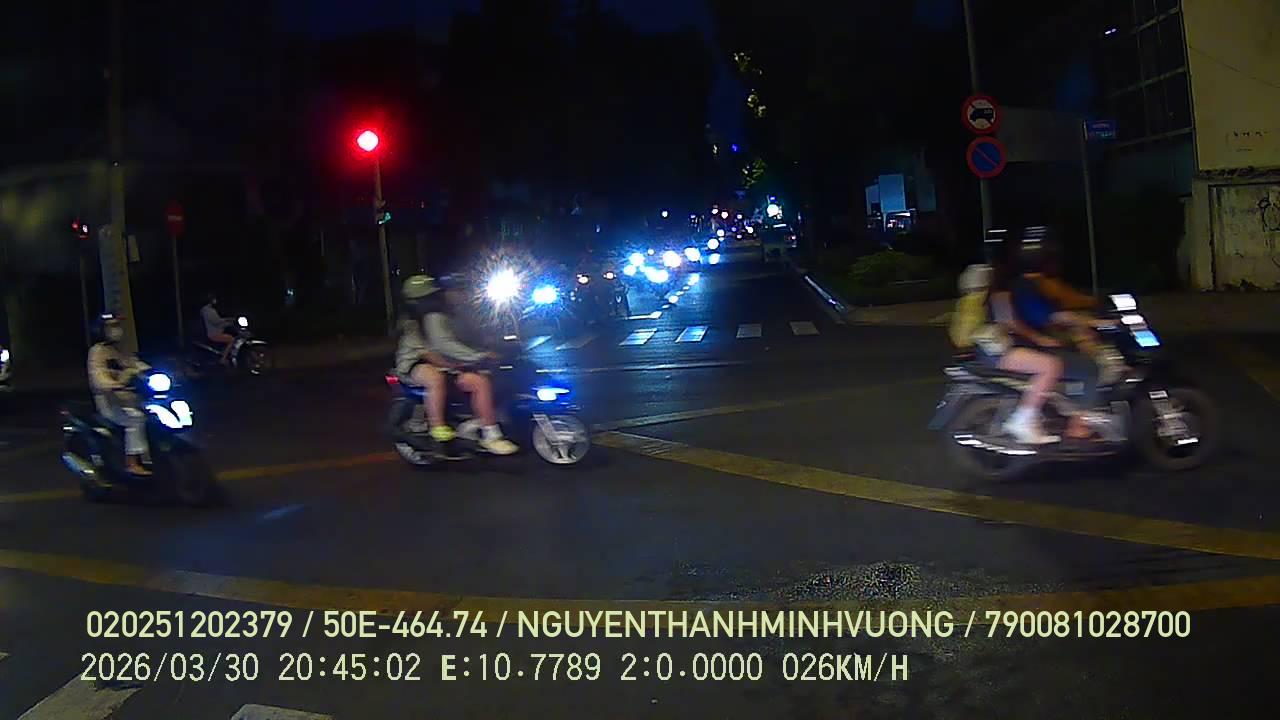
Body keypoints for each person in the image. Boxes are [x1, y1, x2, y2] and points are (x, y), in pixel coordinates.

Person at [394, 274, 519, 456]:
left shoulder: (444, 314)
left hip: (444, 363)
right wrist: (473, 358)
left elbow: (468, 338)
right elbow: (432, 350)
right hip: (416, 364)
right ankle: (437, 428)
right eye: (426, 298)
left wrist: (484, 351)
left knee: (480, 382)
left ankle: (490, 434)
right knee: (435, 378)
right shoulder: (413, 323)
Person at [969, 237, 1072, 444]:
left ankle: (1037, 415)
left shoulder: (1001, 284)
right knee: (1050, 366)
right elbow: (1008, 321)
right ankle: (1023, 421)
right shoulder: (1002, 288)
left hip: (997, 348)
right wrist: (1040, 339)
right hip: (997, 351)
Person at [87, 314, 151, 475]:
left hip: (129, 399)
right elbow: (98, 376)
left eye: (117, 325)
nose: (116, 330)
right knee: (135, 418)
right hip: (110, 403)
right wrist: (114, 385)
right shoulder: (97, 352)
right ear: (101, 330)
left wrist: (151, 373)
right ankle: (132, 463)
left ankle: (150, 455)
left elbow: (135, 364)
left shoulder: (121, 349)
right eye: (111, 326)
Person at [200, 293, 236, 367]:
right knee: (231, 339)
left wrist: (228, 320)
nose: (215, 301)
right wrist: (228, 321)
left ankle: (225, 353)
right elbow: (216, 321)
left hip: (213, 331)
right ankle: (223, 359)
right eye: (214, 299)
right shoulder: (209, 311)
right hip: (214, 334)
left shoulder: (204, 310)